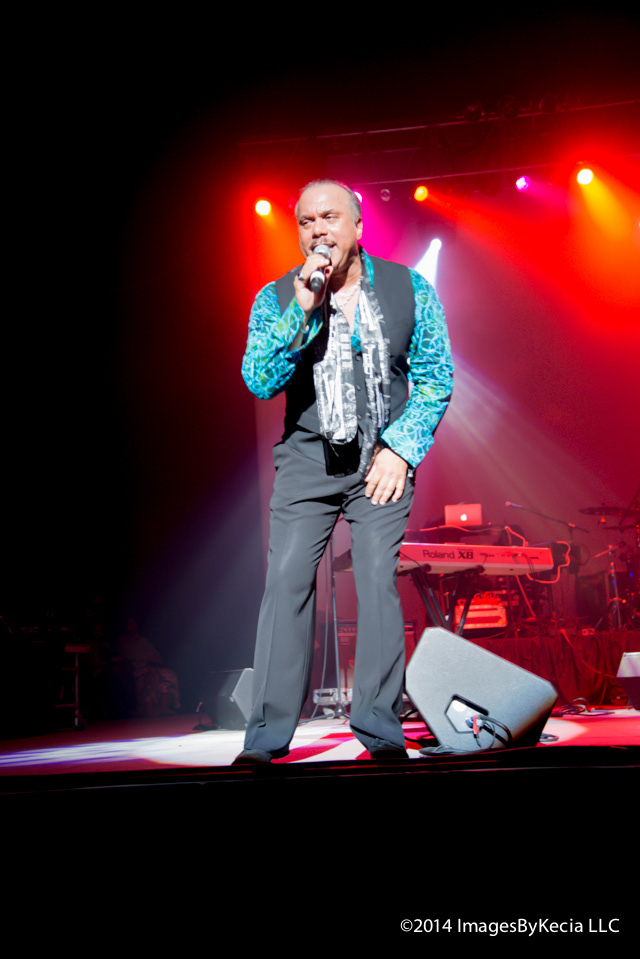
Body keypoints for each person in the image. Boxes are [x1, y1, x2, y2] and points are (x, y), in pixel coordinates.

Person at [235, 179, 453, 763]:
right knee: (286, 583)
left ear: (357, 226)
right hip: (307, 460)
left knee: (377, 581)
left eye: (329, 217)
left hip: (381, 459)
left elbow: (435, 377)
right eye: (306, 222)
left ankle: (380, 731)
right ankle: (266, 738)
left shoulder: (410, 287)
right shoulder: (277, 296)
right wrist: (302, 311)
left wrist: (402, 449)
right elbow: (259, 379)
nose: (318, 231)